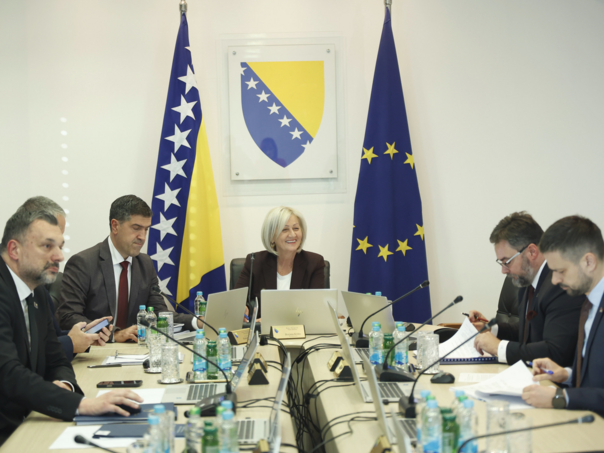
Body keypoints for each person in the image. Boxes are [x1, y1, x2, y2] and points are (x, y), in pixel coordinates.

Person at [0, 206, 143, 443]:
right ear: (15, 249)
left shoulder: (37, 293)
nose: (59, 256)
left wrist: (65, 386)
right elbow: (8, 373)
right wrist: (81, 404)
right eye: (48, 246)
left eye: (60, 246)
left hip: (31, 420)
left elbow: (55, 358)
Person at [56, 195, 200, 342]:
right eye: (136, 228)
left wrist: (198, 322)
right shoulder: (83, 263)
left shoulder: (145, 264)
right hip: (96, 349)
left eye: (146, 229)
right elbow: (69, 316)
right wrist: (114, 334)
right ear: (115, 226)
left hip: (134, 349)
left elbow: (159, 313)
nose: (142, 237)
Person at [469, 212, 584, 366]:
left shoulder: (560, 285)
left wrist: (499, 348)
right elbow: (529, 331)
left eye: (507, 262)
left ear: (532, 252)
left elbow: (555, 352)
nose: (503, 270)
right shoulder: (527, 282)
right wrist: (492, 329)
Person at [522, 216, 604, 415]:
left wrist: (562, 397)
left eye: (560, 271)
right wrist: (566, 374)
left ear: (589, 262)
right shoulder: (590, 304)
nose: (555, 280)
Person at [19, 196, 112, 360]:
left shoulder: (38, 287)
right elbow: (20, 353)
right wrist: (70, 343)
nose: (59, 256)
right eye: (49, 244)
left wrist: (83, 336)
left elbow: (51, 337)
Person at [235, 206, 325, 318]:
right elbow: (236, 301)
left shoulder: (314, 263)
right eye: (285, 229)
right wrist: (242, 308)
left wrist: (272, 321)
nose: (292, 234)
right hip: (263, 329)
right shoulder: (255, 262)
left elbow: (316, 308)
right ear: (272, 236)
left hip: (300, 328)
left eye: (296, 228)